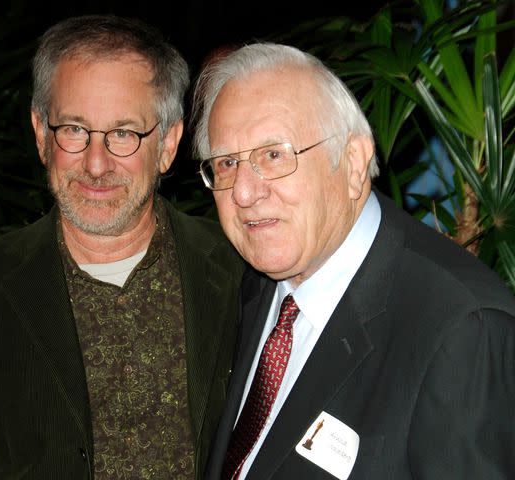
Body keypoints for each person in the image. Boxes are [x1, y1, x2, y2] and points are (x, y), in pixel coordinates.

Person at [0, 15, 245, 479]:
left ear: (169, 144)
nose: (95, 162)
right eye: (73, 128)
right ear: (41, 134)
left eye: (124, 134)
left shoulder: (240, 270)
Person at [191, 42, 515, 479]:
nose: (244, 193)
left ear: (353, 161)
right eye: (227, 163)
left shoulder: (461, 330)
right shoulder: (248, 282)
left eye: (274, 155)